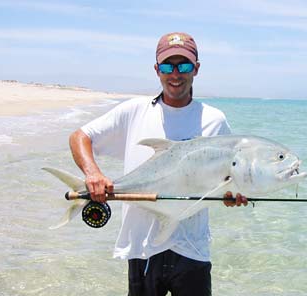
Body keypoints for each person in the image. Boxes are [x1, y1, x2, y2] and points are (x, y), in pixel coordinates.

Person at [69, 32, 248, 296]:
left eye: (184, 65)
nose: (175, 74)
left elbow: (224, 179)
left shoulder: (214, 120)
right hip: (143, 247)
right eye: (167, 66)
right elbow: (80, 137)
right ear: (157, 70)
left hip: (193, 249)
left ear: (196, 69)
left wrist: (232, 194)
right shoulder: (134, 112)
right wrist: (93, 174)